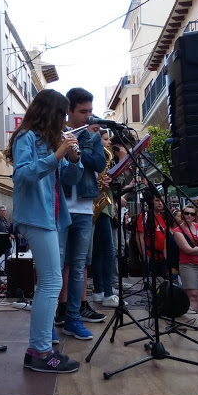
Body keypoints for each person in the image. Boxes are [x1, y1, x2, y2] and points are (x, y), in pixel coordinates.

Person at [5, 89, 83, 373]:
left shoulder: (51, 141)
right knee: (51, 283)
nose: (65, 122)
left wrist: (72, 158)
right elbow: (22, 175)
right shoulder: (26, 137)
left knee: (50, 282)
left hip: (52, 217)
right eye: (62, 115)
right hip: (36, 216)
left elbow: (70, 180)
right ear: (50, 113)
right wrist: (57, 155)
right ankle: (40, 351)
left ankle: (37, 349)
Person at [56, 88, 106, 340]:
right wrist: (65, 144)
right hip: (61, 207)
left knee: (78, 267)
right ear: (69, 111)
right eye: (83, 111)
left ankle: (73, 319)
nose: (89, 116)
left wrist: (77, 149)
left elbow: (100, 163)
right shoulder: (56, 132)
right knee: (56, 267)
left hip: (85, 207)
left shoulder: (92, 136)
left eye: (90, 111)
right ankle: (53, 317)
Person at [91, 130, 117, 306]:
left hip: (103, 207)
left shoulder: (104, 158)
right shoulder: (98, 158)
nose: (109, 143)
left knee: (100, 251)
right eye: (106, 139)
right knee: (108, 250)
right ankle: (107, 292)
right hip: (101, 208)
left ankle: (100, 290)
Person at [173, 205, 198, 315]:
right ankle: (194, 319)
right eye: (186, 213)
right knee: (193, 294)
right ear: (183, 214)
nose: (189, 215)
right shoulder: (178, 230)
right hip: (188, 265)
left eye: (192, 214)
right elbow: (188, 250)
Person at [136, 196, 167, 281]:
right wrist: (145, 256)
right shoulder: (144, 215)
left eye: (162, 201)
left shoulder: (161, 216)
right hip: (150, 255)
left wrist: (165, 256)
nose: (160, 203)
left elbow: (164, 238)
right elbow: (139, 238)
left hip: (161, 257)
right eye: (157, 200)